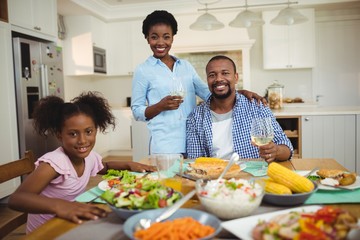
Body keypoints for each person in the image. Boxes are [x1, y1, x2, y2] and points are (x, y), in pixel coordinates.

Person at [9, 91, 155, 233]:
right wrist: (61, 206)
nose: (82, 140)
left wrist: (129, 164)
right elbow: (17, 199)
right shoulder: (54, 163)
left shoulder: (89, 157)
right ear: (59, 134)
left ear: (96, 130)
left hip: (70, 221)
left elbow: (105, 166)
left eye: (88, 131)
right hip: (47, 232)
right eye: (73, 134)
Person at [131, 10, 266, 155]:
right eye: (154, 37)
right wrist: (160, 106)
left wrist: (241, 92)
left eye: (166, 37)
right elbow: (136, 111)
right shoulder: (143, 70)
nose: (160, 42)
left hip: (195, 141)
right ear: (147, 38)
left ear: (172, 38)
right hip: (166, 146)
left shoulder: (186, 67)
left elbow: (209, 93)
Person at [186, 55, 293, 162]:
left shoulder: (257, 107)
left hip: (254, 176)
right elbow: (194, 161)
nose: (218, 79)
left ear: (236, 77)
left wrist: (276, 151)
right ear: (207, 80)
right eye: (212, 75)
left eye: (225, 73)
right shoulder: (195, 117)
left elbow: (287, 149)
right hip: (217, 176)